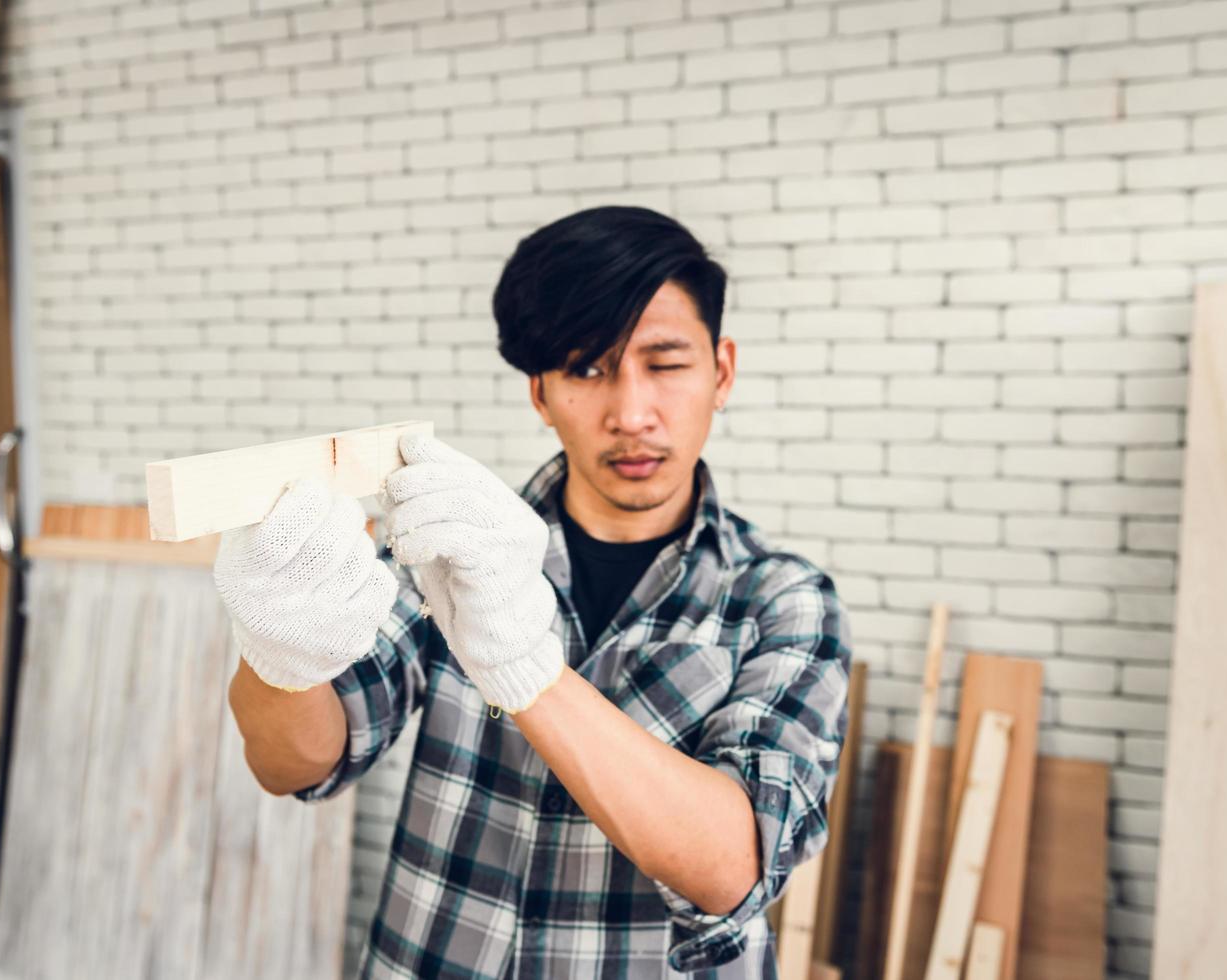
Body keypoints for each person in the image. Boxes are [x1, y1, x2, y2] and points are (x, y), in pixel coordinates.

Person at [216, 205, 853, 979]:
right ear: (540, 395)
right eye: (586, 368)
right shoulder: (445, 547)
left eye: (664, 361)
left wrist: (524, 665)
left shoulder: (782, 601)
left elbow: (731, 866)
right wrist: (280, 653)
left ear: (720, 372)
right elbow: (294, 764)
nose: (629, 414)